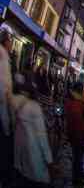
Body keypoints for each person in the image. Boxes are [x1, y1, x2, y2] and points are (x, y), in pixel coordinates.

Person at [12, 73, 54, 187]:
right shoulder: (34, 107)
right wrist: (49, 161)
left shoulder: (12, 100)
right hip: (34, 158)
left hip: (19, 155)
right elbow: (42, 137)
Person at [65, 82, 84, 185]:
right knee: (78, 158)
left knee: (78, 157)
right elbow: (79, 121)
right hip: (78, 135)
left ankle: (79, 175)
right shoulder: (78, 104)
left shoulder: (75, 102)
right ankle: (77, 178)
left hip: (77, 134)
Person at [0, 30, 14, 187]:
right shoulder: (3, 57)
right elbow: (3, 88)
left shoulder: (5, 57)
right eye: (10, 41)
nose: (11, 44)